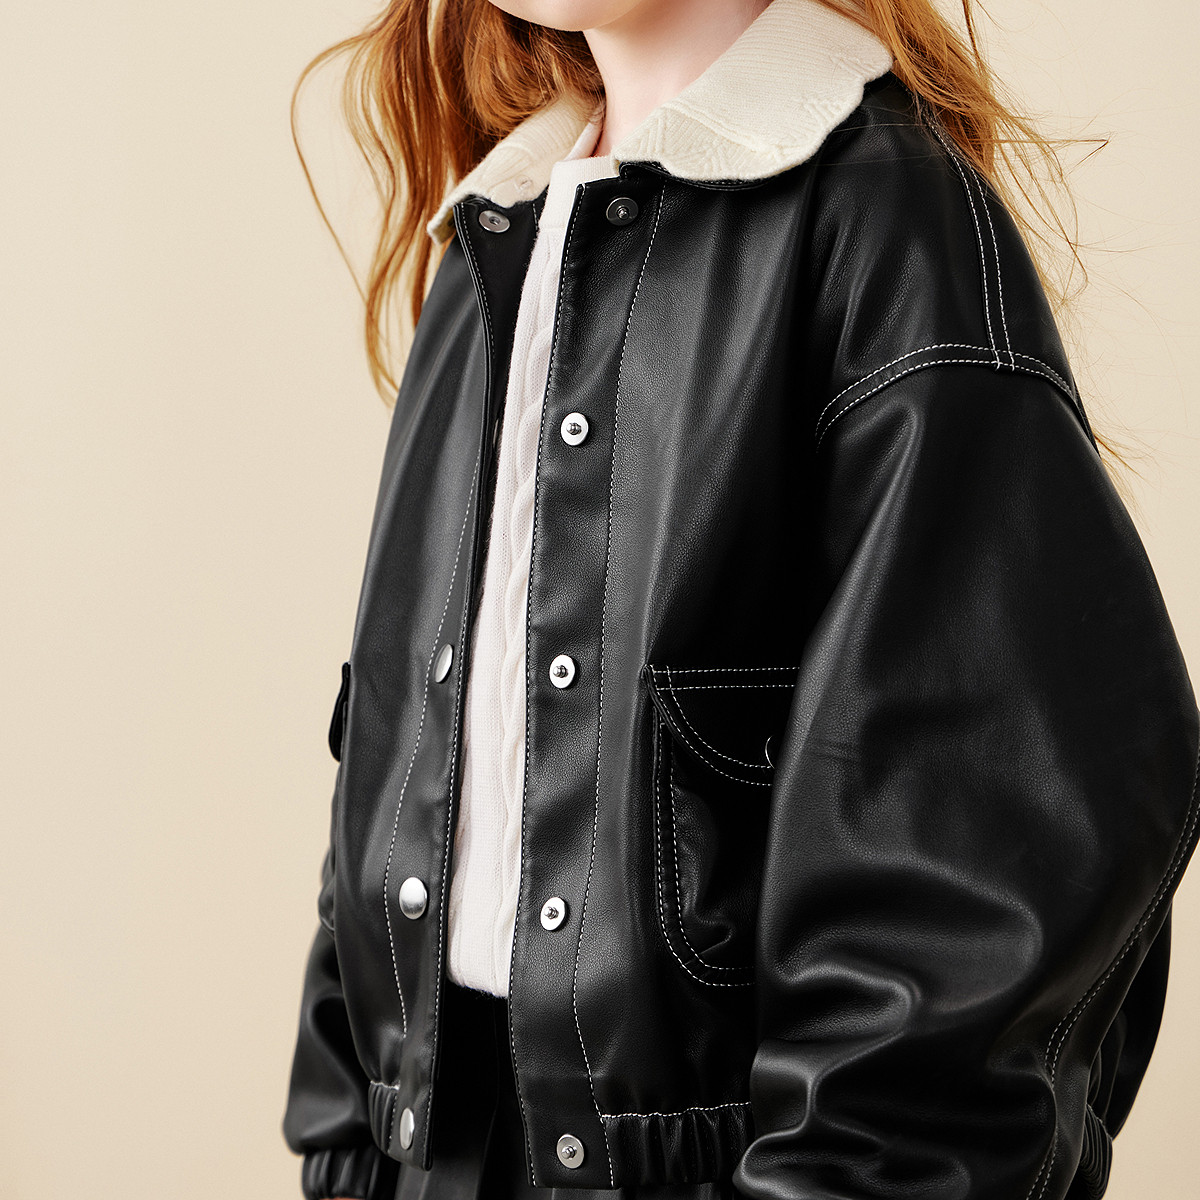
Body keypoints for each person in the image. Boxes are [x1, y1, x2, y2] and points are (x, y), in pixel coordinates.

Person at [281, 1, 1200, 1198]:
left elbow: (978, 871)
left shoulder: (885, 222)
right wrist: (348, 1149)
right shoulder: (497, 234)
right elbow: (401, 765)